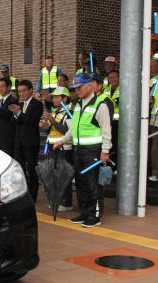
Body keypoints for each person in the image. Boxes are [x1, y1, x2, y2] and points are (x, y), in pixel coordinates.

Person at [54, 73, 113, 228]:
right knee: (80, 183)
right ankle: (85, 212)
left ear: (89, 86)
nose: (77, 91)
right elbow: (74, 128)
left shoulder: (100, 105)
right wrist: (63, 140)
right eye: (75, 88)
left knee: (93, 185)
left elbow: (106, 130)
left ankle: (96, 216)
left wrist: (105, 151)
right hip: (78, 150)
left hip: (93, 151)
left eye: (79, 87)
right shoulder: (79, 104)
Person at [39, 86, 74, 211]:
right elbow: (51, 128)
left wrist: (52, 121)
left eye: (57, 97)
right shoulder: (56, 111)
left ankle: (66, 203)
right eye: (53, 97)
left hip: (64, 147)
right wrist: (45, 125)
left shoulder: (69, 112)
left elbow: (68, 131)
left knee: (63, 175)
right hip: (52, 146)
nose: (54, 99)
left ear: (65, 98)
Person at [8, 80, 43, 202]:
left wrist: (18, 113)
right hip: (19, 143)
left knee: (32, 170)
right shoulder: (19, 104)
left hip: (31, 143)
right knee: (19, 170)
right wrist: (17, 114)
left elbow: (32, 120)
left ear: (30, 90)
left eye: (23, 91)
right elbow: (13, 122)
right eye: (19, 91)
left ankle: (32, 196)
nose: (21, 94)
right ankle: (21, 194)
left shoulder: (37, 104)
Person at [103, 70, 120, 167]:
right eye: (110, 78)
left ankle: (116, 165)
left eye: (114, 77)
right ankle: (109, 165)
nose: (112, 80)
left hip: (118, 122)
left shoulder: (124, 89)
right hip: (107, 121)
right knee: (108, 144)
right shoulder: (106, 89)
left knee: (117, 145)